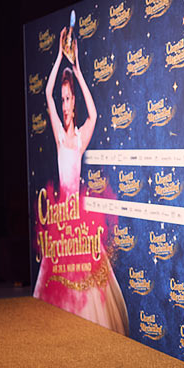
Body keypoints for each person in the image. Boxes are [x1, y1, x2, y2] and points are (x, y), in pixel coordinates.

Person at [33, 27, 129, 335]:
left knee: (89, 286)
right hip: (62, 218)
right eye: (62, 100)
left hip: (79, 218)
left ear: (74, 101)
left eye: (67, 99)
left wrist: (76, 70)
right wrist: (60, 56)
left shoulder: (80, 135)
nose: (63, 104)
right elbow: (45, 93)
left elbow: (97, 114)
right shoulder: (61, 136)